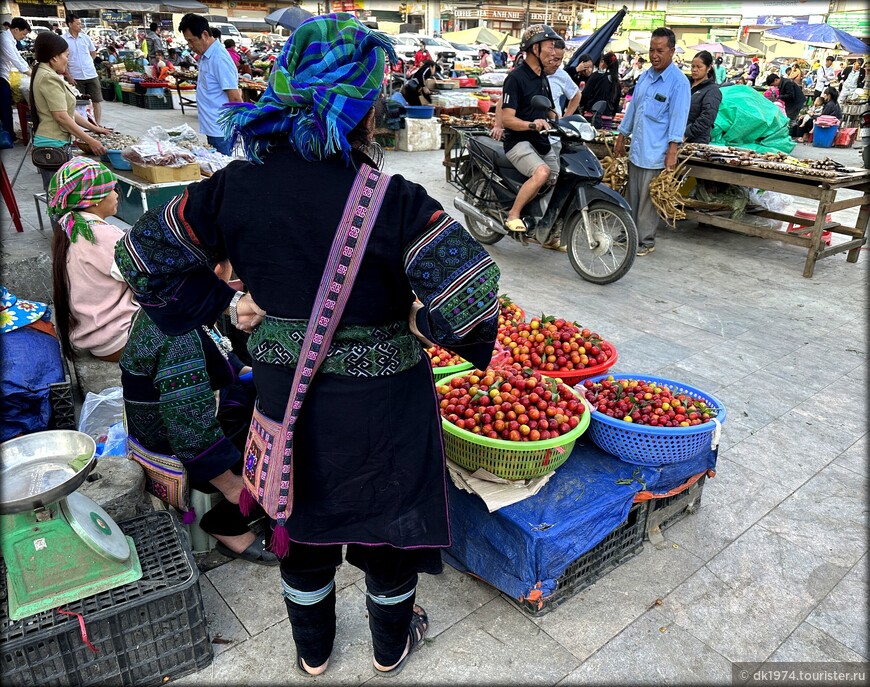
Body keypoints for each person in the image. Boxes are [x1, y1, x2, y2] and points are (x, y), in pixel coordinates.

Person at [115, 13, 500, 678]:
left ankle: (314, 652)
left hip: (283, 404)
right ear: (362, 108)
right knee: (384, 536)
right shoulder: (397, 200)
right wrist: (418, 321)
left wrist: (225, 306)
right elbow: (474, 301)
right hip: (385, 414)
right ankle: (388, 647)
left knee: (302, 528)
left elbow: (138, 256)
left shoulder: (232, 189)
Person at [120, 258, 278, 566]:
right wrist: (234, 489)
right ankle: (226, 523)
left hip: (183, 419)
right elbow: (189, 431)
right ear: (217, 271)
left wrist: (254, 375)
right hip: (173, 445)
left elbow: (221, 357)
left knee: (264, 393)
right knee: (281, 438)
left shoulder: (171, 302)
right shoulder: (177, 336)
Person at [48, 158, 138, 361]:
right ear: (94, 198)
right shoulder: (99, 235)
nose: (116, 195)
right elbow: (145, 275)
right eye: (112, 189)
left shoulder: (69, 228)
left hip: (97, 339)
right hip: (119, 339)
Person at [614, 26, 690, 257]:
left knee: (649, 201)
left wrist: (672, 151)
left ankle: (645, 241)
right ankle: (627, 234)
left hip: (657, 151)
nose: (654, 55)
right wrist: (621, 136)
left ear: (672, 52)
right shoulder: (646, 76)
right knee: (632, 196)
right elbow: (633, 109)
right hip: (637, 148)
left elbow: (678, 118)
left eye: (659, 50)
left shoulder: (678, 83)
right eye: (651, 50)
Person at [499, 24, 561, 233]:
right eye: (550, 46)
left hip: (540, 141)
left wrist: (565, 120)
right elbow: (507, 119)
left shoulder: (542, 77)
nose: (554, 52)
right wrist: (532, 124)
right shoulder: (516, 78)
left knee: (557, 176)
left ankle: (542, 225)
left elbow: (549, 109)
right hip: (518, 142)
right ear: (535, 49)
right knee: (542, 172)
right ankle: (513, 214)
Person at [29, 32, 109, 191]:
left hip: (55, 143)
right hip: (52, 145)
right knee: (60, 199)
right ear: (54, 58)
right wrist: (90, 141)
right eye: (66, 55)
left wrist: (94, 128)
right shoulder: (48, 78)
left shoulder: (45, 72)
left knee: (64, 197)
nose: (68, 59)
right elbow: (61, 117)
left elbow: (68, 111)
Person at [178, 14, 241, 155]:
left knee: (223, 171)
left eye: (191, 41)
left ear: (205, 35)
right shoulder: (206, 56)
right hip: (212, 127)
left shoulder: (219, 58)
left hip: (221, 130)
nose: (190, 46)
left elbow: (235, 98)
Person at [62, 14, 103, 126]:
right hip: (75, 76)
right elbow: (63, 60)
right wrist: (68, 76)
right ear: (70, 24)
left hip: (91, 74)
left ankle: (97, 124)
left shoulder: (85, 38)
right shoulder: (63, 40)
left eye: (81, 23)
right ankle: (82, 126)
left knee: (96, 100)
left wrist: (88, 63)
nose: (80, 26)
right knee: (78, 103)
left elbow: (93, 52)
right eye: (78, 24)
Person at [1, 17, 31, 141]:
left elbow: (19, 58)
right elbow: (15, 60)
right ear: (16, 29)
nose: (24, 37)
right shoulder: (4, 39)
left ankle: (8, 134)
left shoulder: (10, 40)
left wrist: (30, 70)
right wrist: (32, 74)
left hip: (4, 74)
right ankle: (9, 136)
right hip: (1, 76)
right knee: (5, 105)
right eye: (23, 34)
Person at [684, 51, 722, 145]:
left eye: (699, 67)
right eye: (693, 66)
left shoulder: (712, 91)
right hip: (676, 136)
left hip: (695, 141)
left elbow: (707, 118)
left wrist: (686, 134)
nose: (694, 70)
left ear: (708, 68)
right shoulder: (685, 84)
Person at [578, 51, 621, 127]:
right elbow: (616, 103)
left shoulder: (596, 76)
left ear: (603, 62)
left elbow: (585, 95)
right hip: (608, 120)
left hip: (591, 118)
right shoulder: (616, 81)